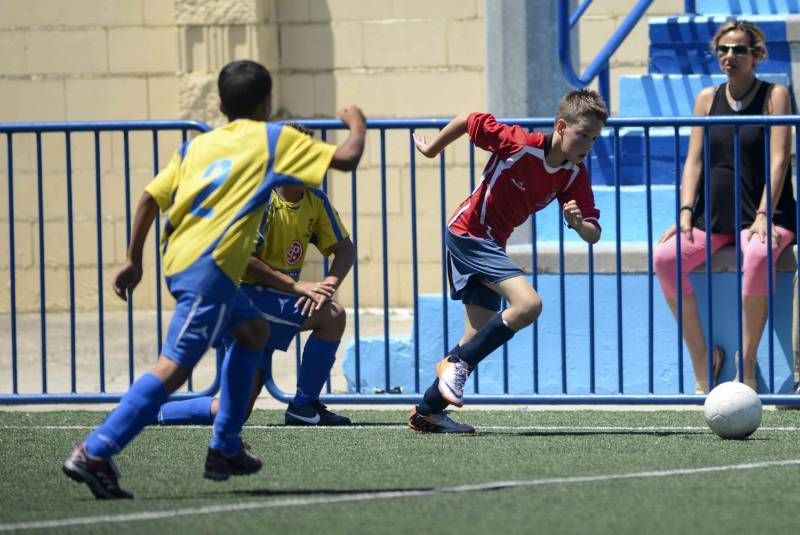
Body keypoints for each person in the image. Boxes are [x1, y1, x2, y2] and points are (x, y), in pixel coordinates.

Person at [62, 60, 367, 499]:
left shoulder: (195, 147)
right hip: (210, 268)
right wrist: (356, 122)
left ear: (220, 104)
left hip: (193, 263)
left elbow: (150, 197)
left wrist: (133, 260)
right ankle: (95, 450)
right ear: (266, 103)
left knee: (252, 331)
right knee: (173, 367)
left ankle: (224, 446)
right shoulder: (272, 140)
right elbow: (347, 157)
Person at [407, 89, 607, 433]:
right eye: (583, 134)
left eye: (594, 137)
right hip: (469, 232)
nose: (588, 143)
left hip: (491, 244)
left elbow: (594, 233)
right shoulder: (519, 143)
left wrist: (578, 224)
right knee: (528, 305)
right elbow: (468, 120)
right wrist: (432, 149)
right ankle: (455, 366)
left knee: (474, 340)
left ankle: (427, 411)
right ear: (561, 126)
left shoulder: (575, 173)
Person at [153, 122, 356, 427]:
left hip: (274, 301)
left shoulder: (315, 201)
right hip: (245, 300)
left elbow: (345, 250)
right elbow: (243, 257)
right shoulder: (262, 200)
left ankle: (150, 410)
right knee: (333, 315)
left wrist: (328, 284)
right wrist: (295, 284)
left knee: (233, 410)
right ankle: (303, 407)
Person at [653, 20, 796, 394]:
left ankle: (745, 365)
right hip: (713, 218)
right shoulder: (706, 99)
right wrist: (685, 212)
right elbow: (694, 162)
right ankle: (703, 359)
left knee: (758, 256)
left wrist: (765, 213)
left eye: (739, 50)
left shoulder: (774, 95)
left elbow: (780, 160)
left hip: (767, 216)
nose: (729, 56)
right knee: (666, 258)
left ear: (757, 56)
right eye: (724, 50)